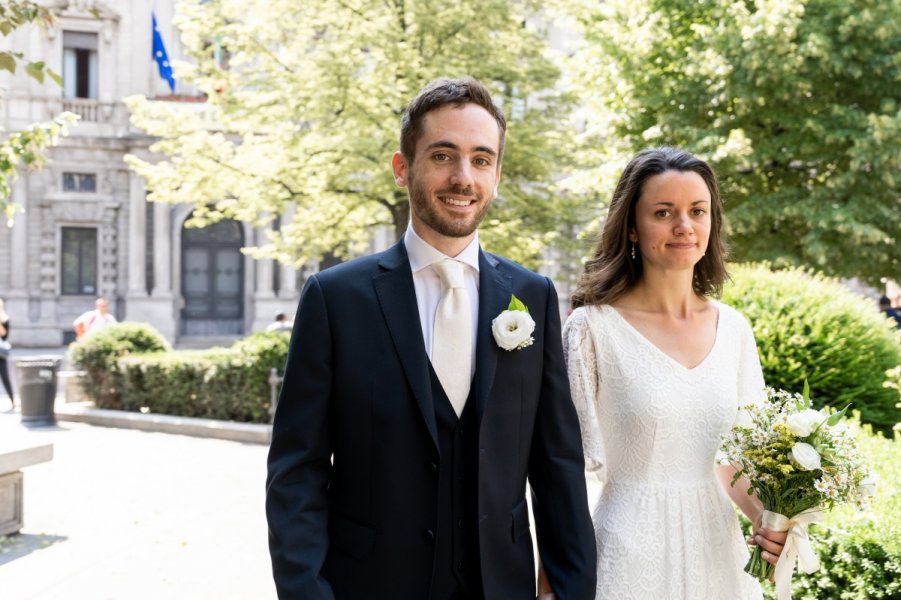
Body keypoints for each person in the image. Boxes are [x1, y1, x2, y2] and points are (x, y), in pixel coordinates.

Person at [266, 77, 596, 599]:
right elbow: (297, 470)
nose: (463, 177)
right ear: (404, 168)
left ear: (497, 174)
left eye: (481, 159)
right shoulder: (335, 298)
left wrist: (573, 585)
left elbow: (556, 462)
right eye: (443, 155)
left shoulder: (532, 295)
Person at [560, 148, 786, 599]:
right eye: (664, 212)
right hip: (625, 552)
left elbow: (739, 462)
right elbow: (564, 470)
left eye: (697, 211)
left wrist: (770, 520)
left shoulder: (735, 330)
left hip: (719, 556)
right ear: (631, 226)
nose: (684, 226)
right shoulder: (591, 329)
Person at [0, 299, 13, 409]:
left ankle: (12, 399)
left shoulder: (5, 319)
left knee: (5, 377)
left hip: (1, 353)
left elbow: (4, 336)